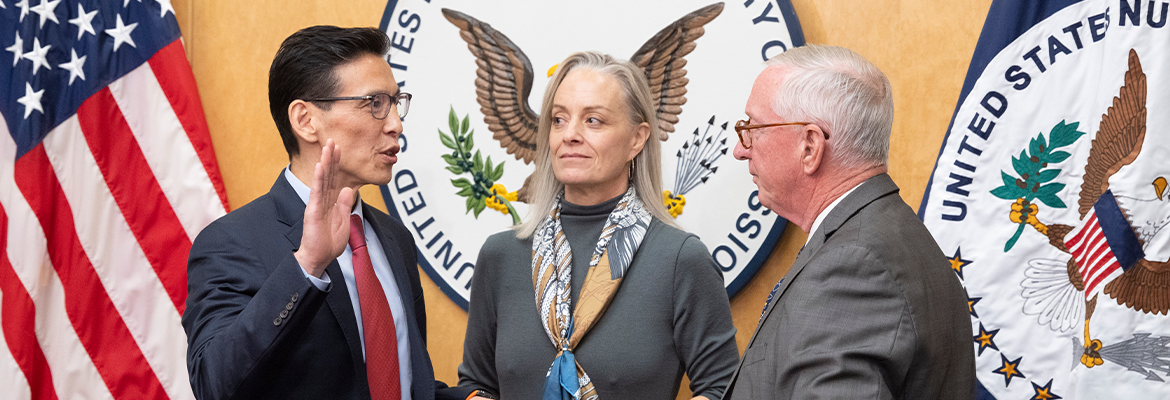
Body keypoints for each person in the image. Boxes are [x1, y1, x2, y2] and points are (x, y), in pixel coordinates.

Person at [182, 26, 473, 400]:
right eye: (375, 104)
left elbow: (403, 383)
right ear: (306, 121)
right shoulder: (230, 243)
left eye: (397, 103)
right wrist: (306, 266)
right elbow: (215, 384)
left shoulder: (395, 239)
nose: (395, 124)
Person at [458, 51, 739, 400]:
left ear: (637, 139)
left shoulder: (681, 259)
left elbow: (723, 389)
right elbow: (475, 384)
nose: (570, 134)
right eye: (559, 120)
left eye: (593, 121)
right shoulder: (502, 255)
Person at [722, 45, 975, 399]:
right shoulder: (881, 240)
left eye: (754, 127)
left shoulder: (854, 267)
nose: (741, 148)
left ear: (810, 147)